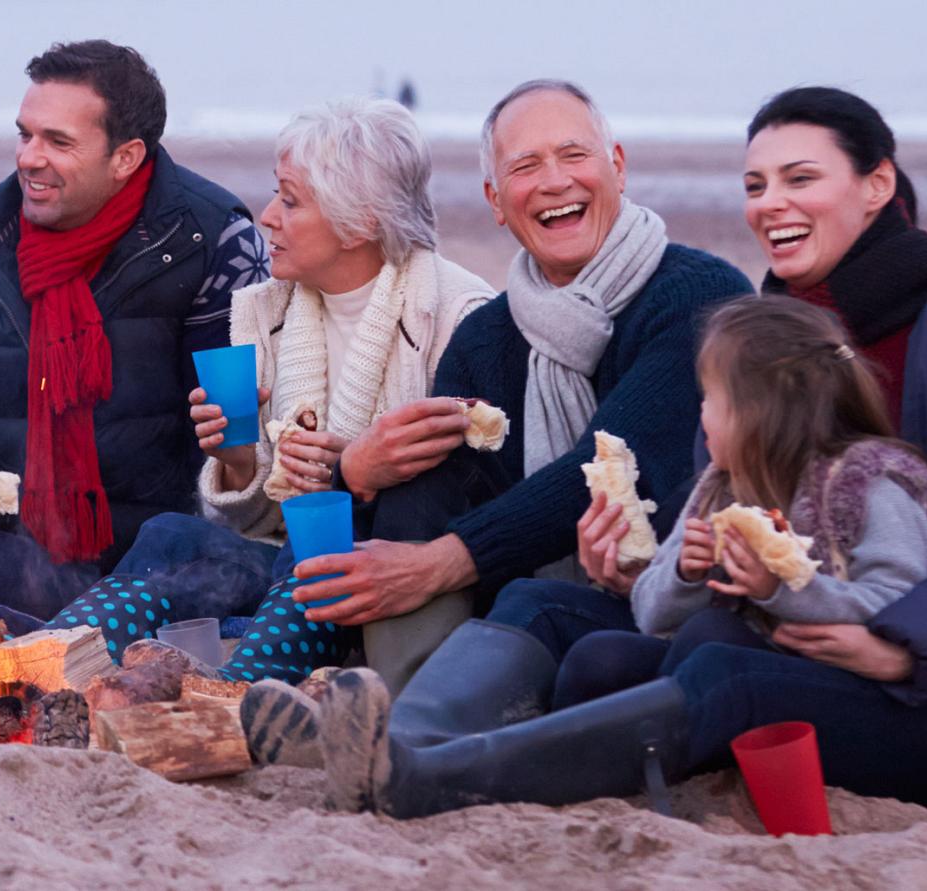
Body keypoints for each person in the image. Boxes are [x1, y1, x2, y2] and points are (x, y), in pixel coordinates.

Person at [258, 86, 927, 854]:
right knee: (565, 621)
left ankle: (425, 775)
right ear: (496, 199)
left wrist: (903, 641)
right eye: (756, 185)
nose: (772, 205)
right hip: (780, 626)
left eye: (801, 178)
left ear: (878, 185)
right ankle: (401, 739)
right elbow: (718, 509)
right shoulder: (775, 337)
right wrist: (648, 571)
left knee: (722, 670)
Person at [216, 79, 751, 691]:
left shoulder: (699, 296)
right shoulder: (487, 336)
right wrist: (354, 473)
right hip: (508, 600)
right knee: (424, 473)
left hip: (666, 599)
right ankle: (389, 696)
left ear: (619, 168)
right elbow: (449, 489)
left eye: (574, 155)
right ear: (496, 202)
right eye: (526, 166)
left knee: (530, 603)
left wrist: (438, 564)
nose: (554, 181)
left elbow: (613, 464)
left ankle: (409, 727)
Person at [44, 98, 493, 659]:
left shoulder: (456, 315)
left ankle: (234, 689)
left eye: (291, 200)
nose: (267, 216)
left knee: (303, 563)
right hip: (273, 560)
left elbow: (463, 500)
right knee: (171, 534)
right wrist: (235, 462)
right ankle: (46, 657)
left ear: (362, 221)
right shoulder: (263, 310)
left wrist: (349, 471)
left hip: (373, 576)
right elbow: (255, 522)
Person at [0, 40, 266, 621]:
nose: (29, 157)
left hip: (154, 554)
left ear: (125, 157)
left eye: (58, 141)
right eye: (25, 135)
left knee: (224, 571)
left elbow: (236, 449)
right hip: (3, 550)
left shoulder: (215, 244)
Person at [523, 296, 927, 711]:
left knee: (712, 636)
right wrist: (685, 573)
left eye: (709, 397)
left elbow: (899, 606)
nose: (700, 411)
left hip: (834, 685)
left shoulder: (868, 485)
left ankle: (650, 742)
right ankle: (553, 765)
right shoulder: (721, 489)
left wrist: (779, 589)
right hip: (722, 671)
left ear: (759, 413)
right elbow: (651, 616)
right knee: (598, 656)